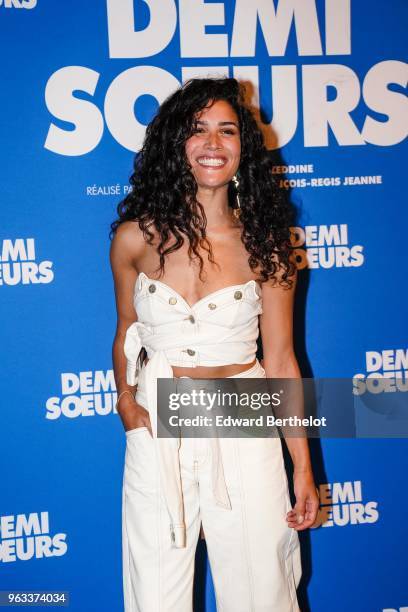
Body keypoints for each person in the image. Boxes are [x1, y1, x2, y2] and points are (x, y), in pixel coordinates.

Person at [109, 77, 319, 612]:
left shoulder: (266, 244)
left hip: (242, 412)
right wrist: (128, 404)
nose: (213, 143)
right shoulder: (134, 238)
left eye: (227, 130)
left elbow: (281, 358)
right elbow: (126, 333)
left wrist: (301, 465)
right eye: (197, 130)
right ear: (174, 145)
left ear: (243, 149)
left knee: (261, 585)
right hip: (159, 419)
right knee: (155, 589)